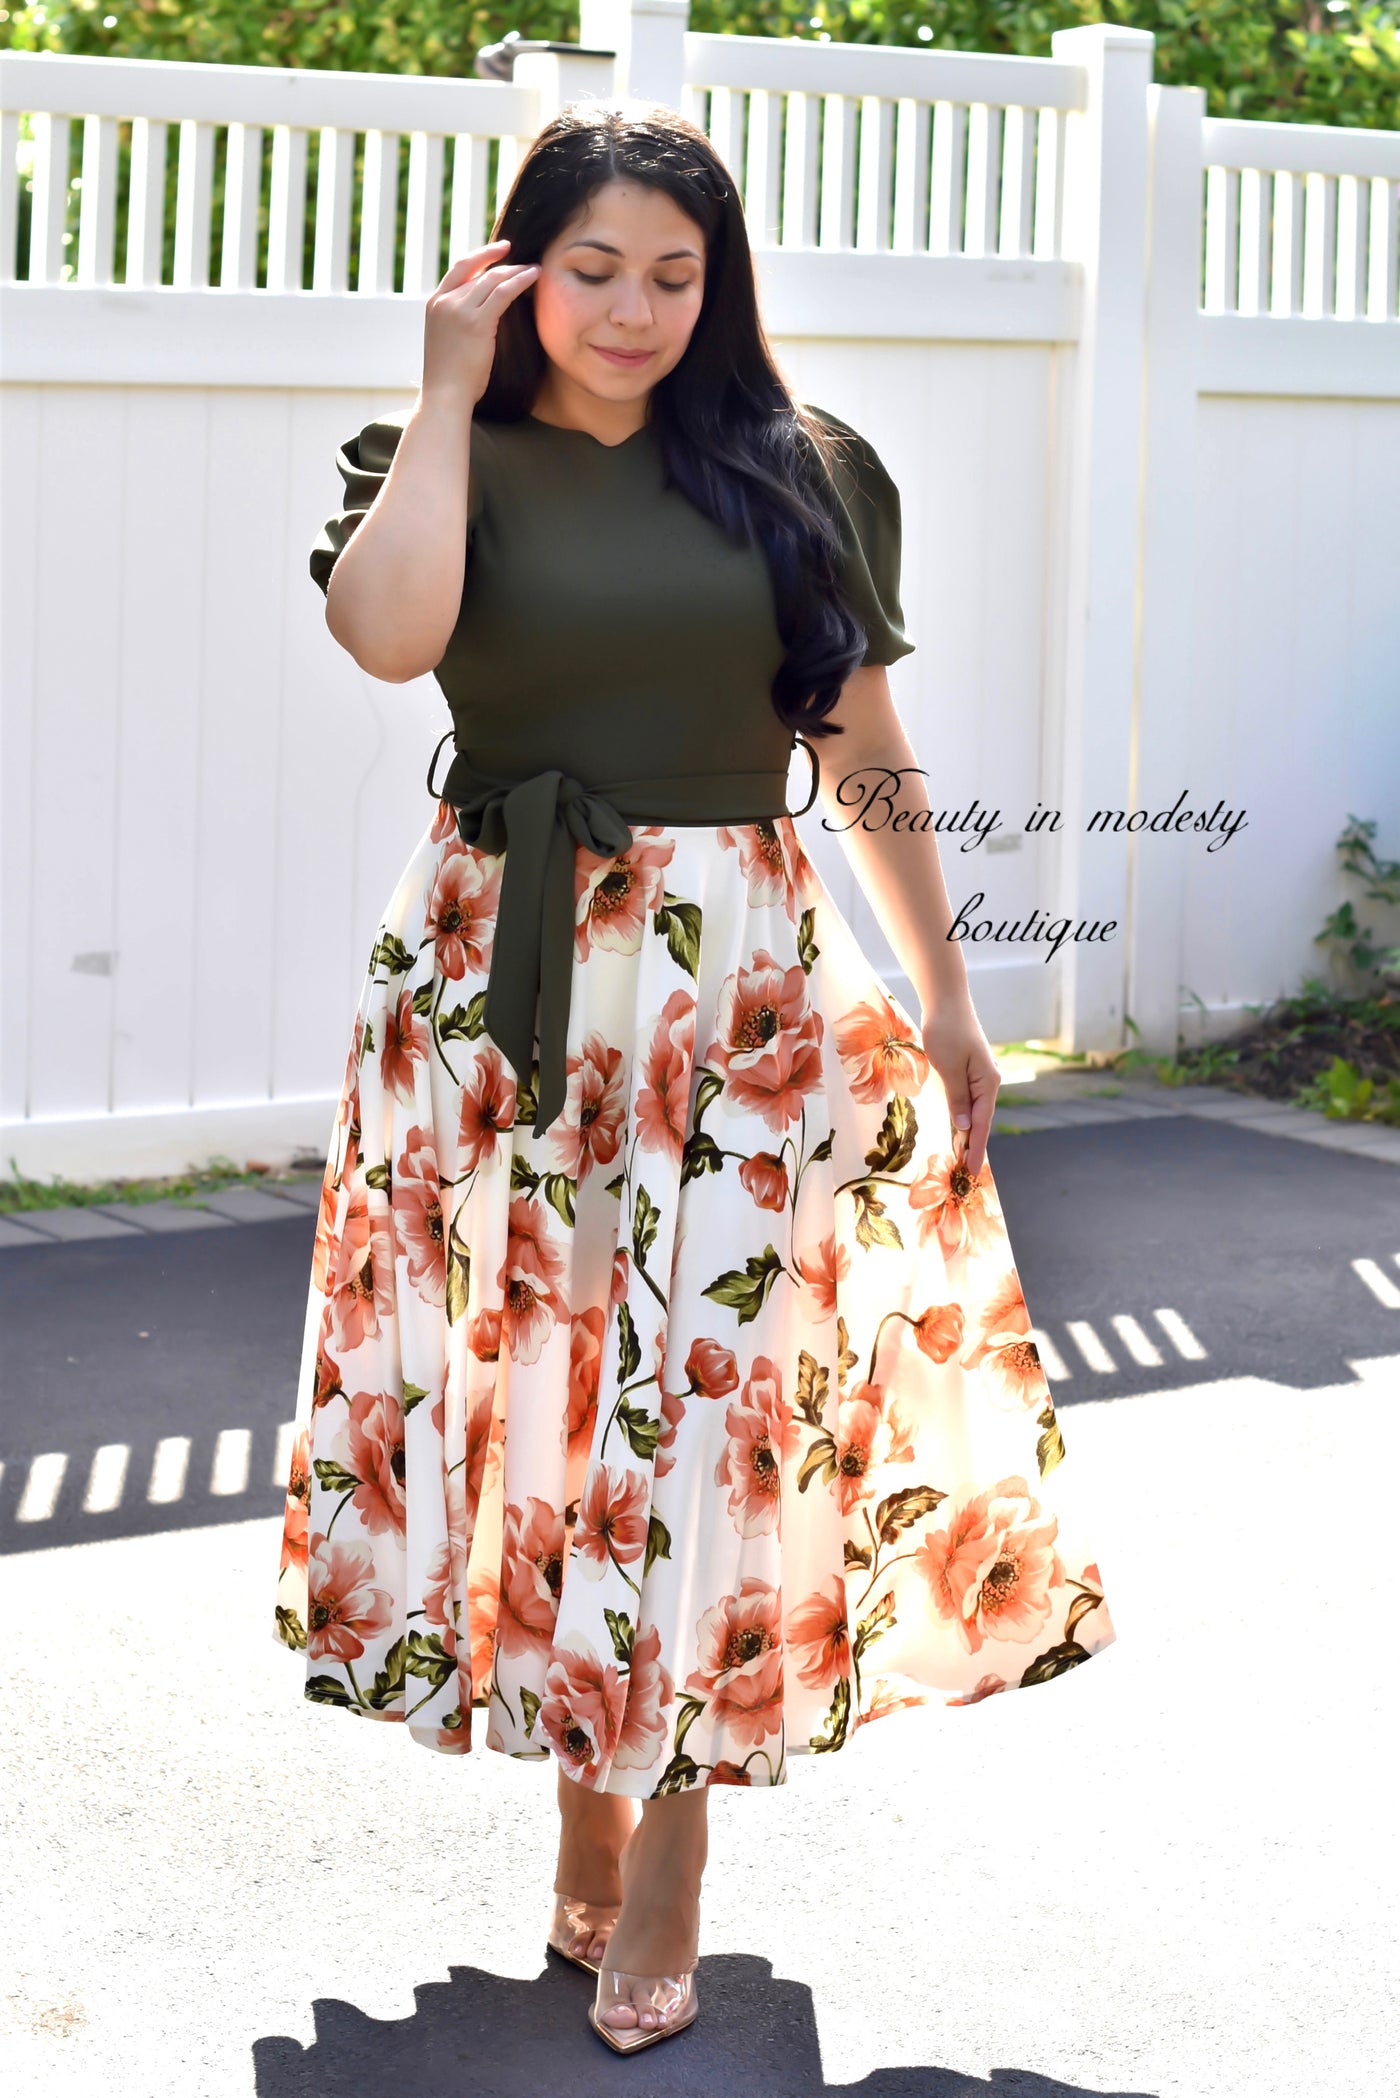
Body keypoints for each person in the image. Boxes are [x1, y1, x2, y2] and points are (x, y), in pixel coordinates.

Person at [272, 96, 1116, 2056]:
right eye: (595, 268)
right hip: (493, 986)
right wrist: (442, 385)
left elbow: (861, 743)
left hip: (733, 986)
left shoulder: (804, 471)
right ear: (519, 272)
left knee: (703, 1413)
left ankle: (669, 1862)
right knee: (551, 1407)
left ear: (719, 288)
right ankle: (587, 1797)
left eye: (676, 272)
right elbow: (386, 639)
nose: (636, 309)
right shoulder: (440, 457)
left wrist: (950, 992)